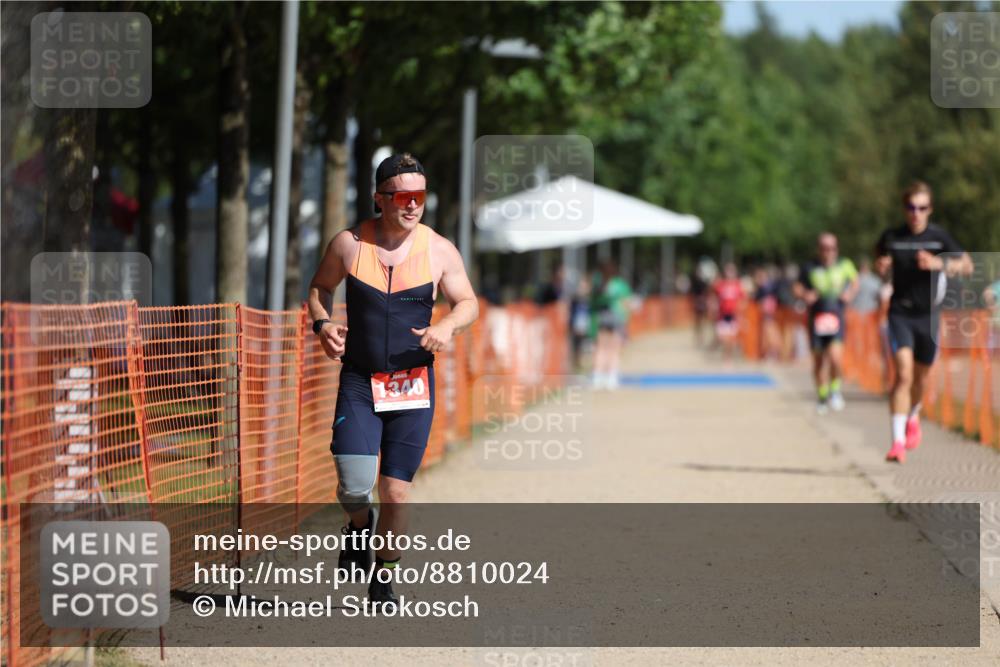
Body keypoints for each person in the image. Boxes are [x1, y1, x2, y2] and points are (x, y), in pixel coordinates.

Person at [307, 152, 478, 607]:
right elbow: (319, 287)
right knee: (353, 486)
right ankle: (359, 528)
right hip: (361, 380)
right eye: (402, 196)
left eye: (419, 196)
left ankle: (384, 576)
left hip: (413, 382)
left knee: (396, 490)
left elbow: (468, 303)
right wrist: (322, 325)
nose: (413, 205)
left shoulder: (439, 249)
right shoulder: (348, 243)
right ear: (379, 198)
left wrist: (446, 326)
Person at [875, 180, 973, 464]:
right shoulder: (892, 236)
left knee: (921, 378)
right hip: (900, 313)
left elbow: (967, 265)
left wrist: (938, 264)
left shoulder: (939, 237)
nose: (915, 213)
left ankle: (913, 414)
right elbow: (880, 258)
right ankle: (897, 442)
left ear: (930, 209)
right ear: (904, 208)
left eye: (922, 207)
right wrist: (881, 266)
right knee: (903, 374)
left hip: (928, 316)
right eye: (910, 207)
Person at [795, 233, 859, 414]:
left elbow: (855, 282)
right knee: (818, 362)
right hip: (816, 319)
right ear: (819, 249)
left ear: (836, 249)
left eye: (831, 248)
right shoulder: (809, 267)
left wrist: (849, 294)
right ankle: (822, 396)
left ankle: (835, 390)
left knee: (835, 358)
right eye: (824, 248)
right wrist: (805, 295)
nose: (828, 252)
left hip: (836, 317)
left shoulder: (844, 265)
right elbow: (797, 287)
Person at [589, 261, 633, 389]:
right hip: (616, 317)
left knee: (601, 348)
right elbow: (627, 303)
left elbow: (592, 301)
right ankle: (611, 377)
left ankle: (598, 377)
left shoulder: (599, 284)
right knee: (614, 349)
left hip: (602, 317)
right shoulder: (620, 284)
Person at [712, 262, 744, 361]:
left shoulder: (738, 285)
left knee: (731, 337)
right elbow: (714, 297)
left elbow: (742, 299)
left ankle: (728, 357)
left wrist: (741, 313)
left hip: (733, 314)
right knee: (721, 337)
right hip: (722, 314)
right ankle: (724, 354)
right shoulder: (720, 285)